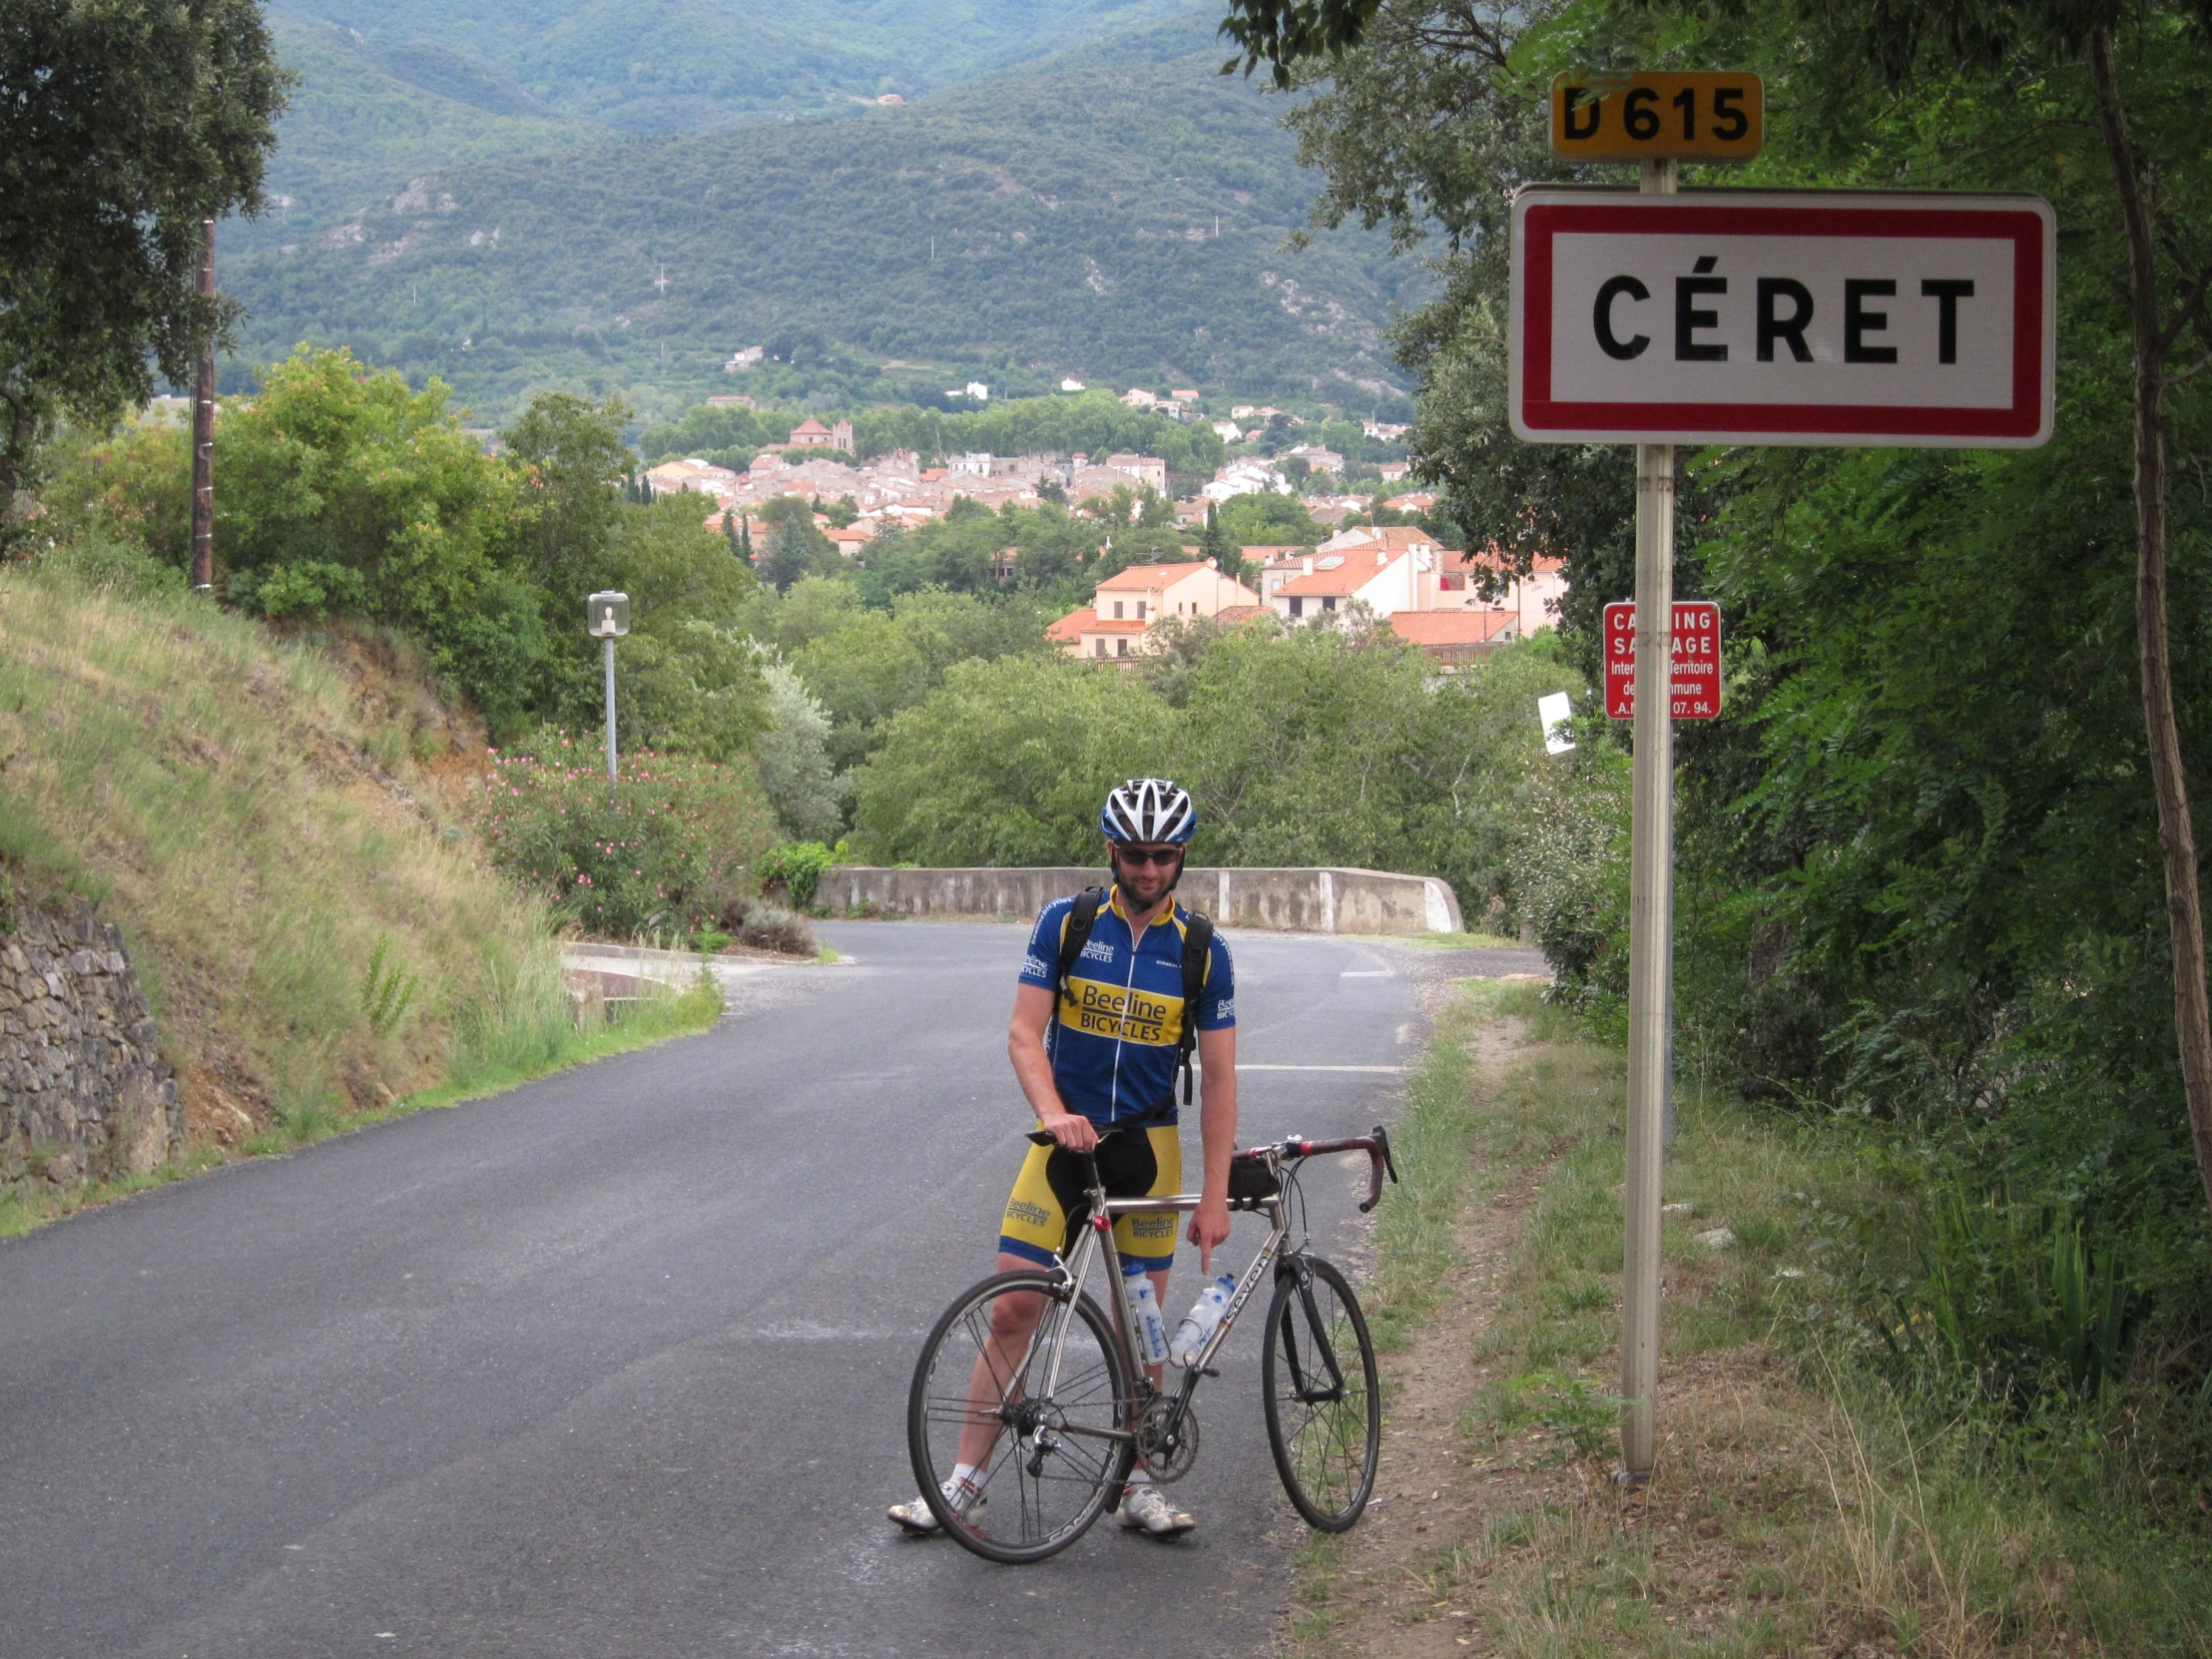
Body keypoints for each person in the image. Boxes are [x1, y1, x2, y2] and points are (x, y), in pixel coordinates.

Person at [889, 777, 1238, 1540]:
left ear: (1181, 857)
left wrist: (1215, 1197)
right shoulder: (1068, 924)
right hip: (1064, 1146)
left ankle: (1139, 1481)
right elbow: (1023, 1033)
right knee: (1015, 1305)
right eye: (1135, 855)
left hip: (1148, 1151)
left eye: (1164, 856)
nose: (1148, 871)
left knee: (1137, 1327)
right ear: (1112, 850)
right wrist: (1053, 1113)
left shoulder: (1203, 952)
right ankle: (964, 1484)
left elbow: (1218, 1081)